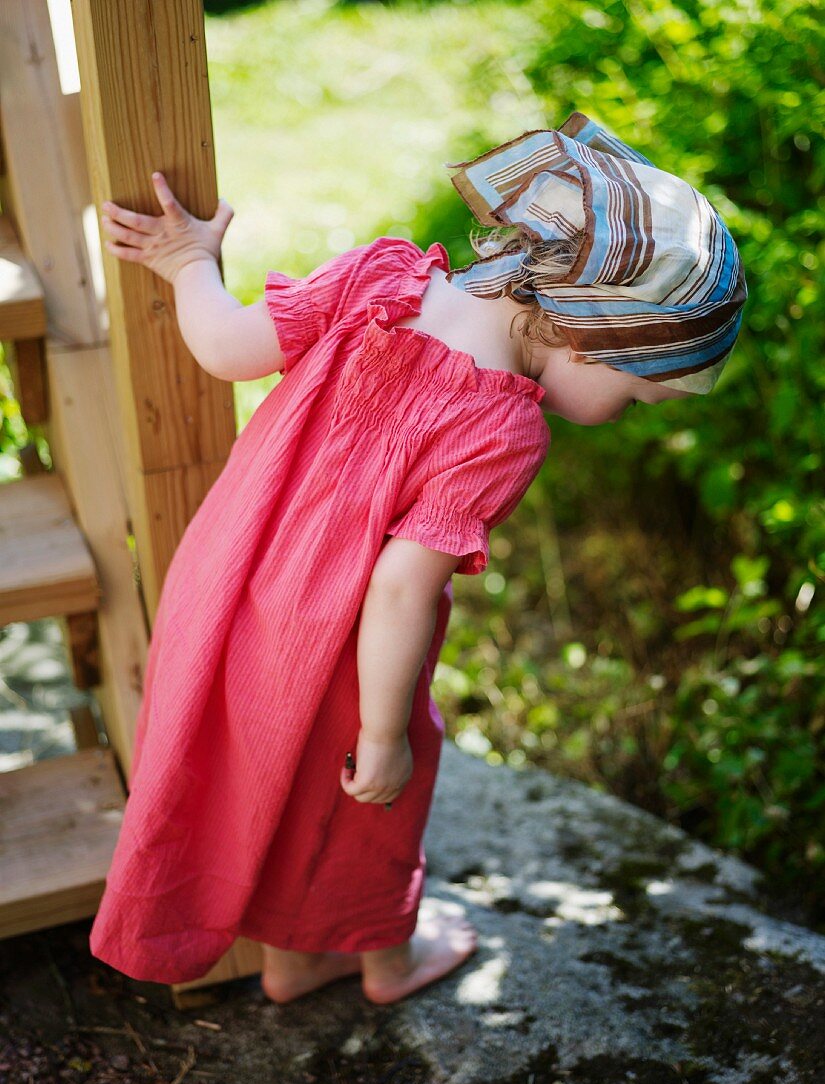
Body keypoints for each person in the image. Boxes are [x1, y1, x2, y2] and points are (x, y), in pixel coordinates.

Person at [88, 111, 747, 1005]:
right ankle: (386, 961)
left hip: (231, 585)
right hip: (337, 641)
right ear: (590, 341)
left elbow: (223, 347)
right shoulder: (500, 425)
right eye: (634, 398)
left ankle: (294, 959)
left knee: (271, 774)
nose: (626, 412)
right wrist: (387, 734)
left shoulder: (381, 277)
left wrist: (185, 263)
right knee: (369, 801)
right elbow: (398, 589)